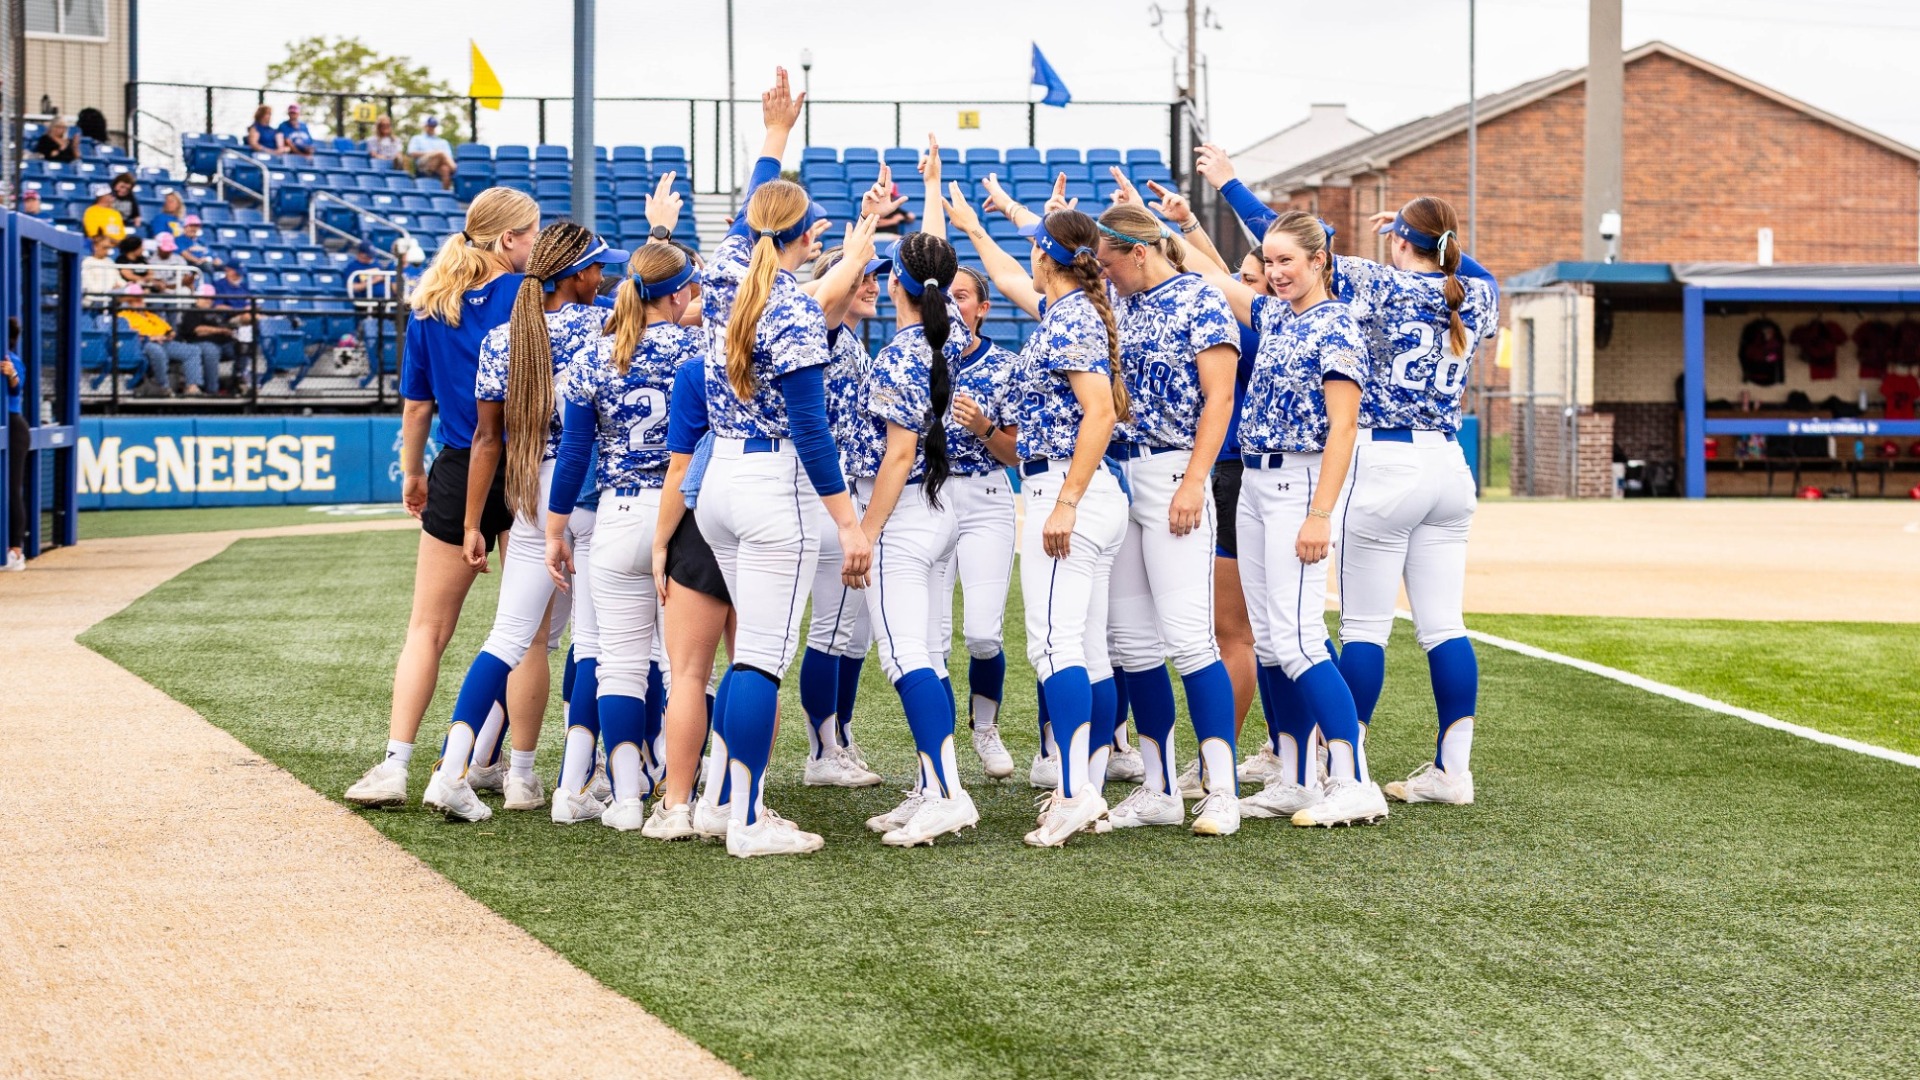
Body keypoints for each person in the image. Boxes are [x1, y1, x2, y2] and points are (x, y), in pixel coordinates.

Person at [1196, 145, 1499, 809]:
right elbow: (1473, 270)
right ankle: (1453, 769)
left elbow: (1297, 245)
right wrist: (1428, 236)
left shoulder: (1377, 282)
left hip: (1386, 461)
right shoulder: (1474, 292)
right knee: (1444, 625)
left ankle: (1343, 770)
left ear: (1403, 243)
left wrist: (1230, 186)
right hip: (1449, 462)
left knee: (1363, 627)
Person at [693, 70, 873, 859]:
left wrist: (775, 135)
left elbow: (753, 211)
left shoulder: (723, 267)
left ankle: (716, 800)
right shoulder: (793, 304)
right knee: (761, 658)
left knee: (747, 657)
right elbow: (811, 426)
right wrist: (849, 521)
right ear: (809, 238)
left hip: (721, 482)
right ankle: (748, 817)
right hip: (774, 488)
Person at [342, 188, 543, 810]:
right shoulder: (527, 294)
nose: (536, 244)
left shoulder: (430, 302)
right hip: (530, 466)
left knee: (426, 630)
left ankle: (395, 764)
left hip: (458, 465)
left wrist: (412, 472)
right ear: (509, 239)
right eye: (531, 233)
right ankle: (519, 775)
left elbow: (416, 404)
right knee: (528, 632)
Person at [943, 185, 1130, 847]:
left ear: (1048, 257)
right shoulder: (1070, 307)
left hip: (1069, 492)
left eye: (1035, 247)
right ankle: (1089, 788)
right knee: (1086, 652)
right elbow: (1003, 270)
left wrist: (1067, 502)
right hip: (1076, 491)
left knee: (1055, 646)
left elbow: (1102, 414)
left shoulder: (1073, 315)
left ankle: (1077, 793)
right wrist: (969, 223)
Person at [425, 223, 625, 824]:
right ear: (574, 275)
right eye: (594, 268)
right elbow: (674, 305)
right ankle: (575, 787)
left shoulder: (504, 336)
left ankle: (450, 771)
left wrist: (470, 523)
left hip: (529, 492)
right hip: (591, 490)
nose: (602, 277)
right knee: (590, 641)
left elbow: (487, 439)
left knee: (506, 636)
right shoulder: (606, 325)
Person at [1191, 210, 1384, 829]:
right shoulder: (1276, 313)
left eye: (1286, 261)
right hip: (1254, 480)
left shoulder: (1338, 326)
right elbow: (1212, 275)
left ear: (1318, 260)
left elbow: (1345, 427)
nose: (1274, 273)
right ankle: (1297, 778)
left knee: (1300, 637)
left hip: (1301, 482)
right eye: (1268, 262)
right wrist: (1166, 228)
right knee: (1272, 639)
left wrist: (1320, 513)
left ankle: (1353, 780)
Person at [544, 239, 701, 831]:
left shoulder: (594, 354)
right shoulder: (699, 347)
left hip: (615, 513)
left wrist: (557, 528)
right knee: (689, 667)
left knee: (618, 665)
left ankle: (626, 798)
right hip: (682, 517)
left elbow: (575, 450)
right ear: (681, 291)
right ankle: (682, 784)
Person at [843, 215, 988, 847]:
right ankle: (934, 787)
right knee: (925, 654)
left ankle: (949, 793)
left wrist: (865, 532)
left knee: (908, 660)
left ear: (897, 283)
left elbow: (896, 455)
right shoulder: (946, 330)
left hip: (901, 512)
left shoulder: (905, 351)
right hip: (935, 509)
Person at [940, 264, 1022, 780]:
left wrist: (983, 426)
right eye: (945, 295)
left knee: (983, 635)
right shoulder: (915, 357)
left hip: (987, 495)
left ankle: (985, 729)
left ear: (983, 307)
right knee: (927, 639)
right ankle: (939, 746)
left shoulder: (1006, 366)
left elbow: (1015, 453)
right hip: (926, 496)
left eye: (963, 296)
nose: (953, 304)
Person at [117, 284, 218, 397]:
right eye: (135, 300)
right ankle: (164, 387)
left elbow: (168, 329)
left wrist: (169, 334)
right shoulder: (123, 316)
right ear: (128, 302)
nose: (140, 301)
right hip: (142, 344)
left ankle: (192, 387)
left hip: (163, 342)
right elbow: (127, 336)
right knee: (157, 351)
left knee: (192, 350)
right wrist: (150, 338)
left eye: (140, 298)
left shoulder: (150, 315)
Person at [175, 284, 238, 393]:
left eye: (211, 298)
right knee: (211, 351)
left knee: (244, 348)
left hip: (223, 342)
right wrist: (220, 330)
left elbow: (225, 326)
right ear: (198, 297)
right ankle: (212, 390)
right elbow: (197, 330)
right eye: (205, 297)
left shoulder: (215, 313)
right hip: (199, 343)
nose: (208, 300)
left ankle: (240, 383)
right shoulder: (192, 312)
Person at [4, 319, 26, 571]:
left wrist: (11, 375)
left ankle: (16, 551)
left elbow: (17, 387)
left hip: (12, 426)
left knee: (11, 487)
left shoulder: (11, 359)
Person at [407, 117, 456, 189]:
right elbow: (411, 153)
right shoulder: (417, 138)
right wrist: (431, 153)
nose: (431, 128)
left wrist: (437, 155)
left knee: (445, 169)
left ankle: (444, 194)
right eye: (430, 126)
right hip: (423, 164)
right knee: (440, 153)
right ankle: (455, 169)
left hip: (439, 164)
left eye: (433, 126)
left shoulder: (443, 141)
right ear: (425, 126)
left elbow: (448, 157)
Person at [81, 234, 123, 304]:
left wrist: (121, 286)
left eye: (108, 248)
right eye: (105, 248)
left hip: (113, 296)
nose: (107, 251)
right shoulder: (87, 263)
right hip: (94, 298)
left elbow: (119, 280)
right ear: (95, 247)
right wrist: (110, 288)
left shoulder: (110, 261)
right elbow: (89, 287)